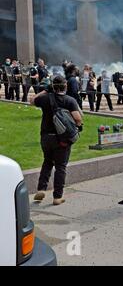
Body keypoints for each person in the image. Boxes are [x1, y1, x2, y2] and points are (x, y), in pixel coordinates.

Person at [31, 75, 83, 206]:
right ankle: (57, 197)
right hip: (62, 139)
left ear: (52, 86)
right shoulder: (69, 100)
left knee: (47, 162)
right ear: (65, 86)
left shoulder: (45, 98)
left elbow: (32, 100)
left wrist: (45, 90)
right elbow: (78, 119)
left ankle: (41, 189)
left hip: (46, 137)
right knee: (60, 167)